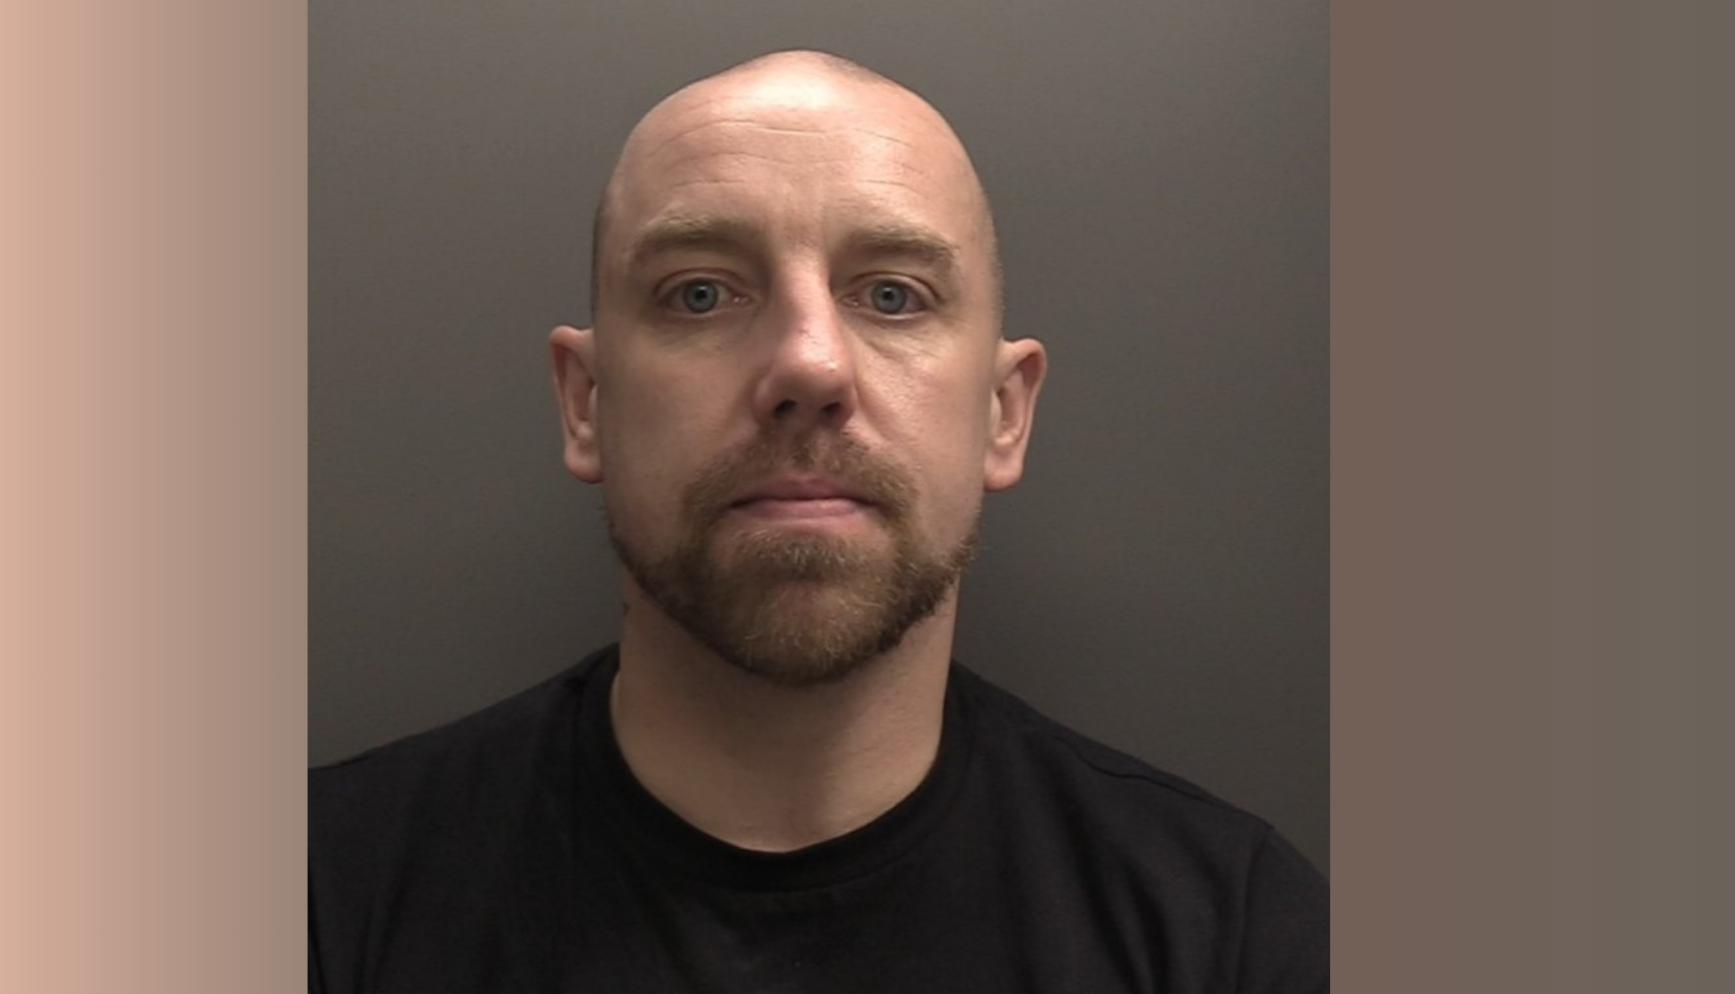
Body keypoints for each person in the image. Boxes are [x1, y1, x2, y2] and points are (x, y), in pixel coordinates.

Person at [309, 49, 1328, 993]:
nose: (809, 363)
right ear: (587, 402)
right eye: (699, 293)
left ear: (1003, 413)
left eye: (892, 295)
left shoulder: (1231, 937)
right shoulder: (315, 903)